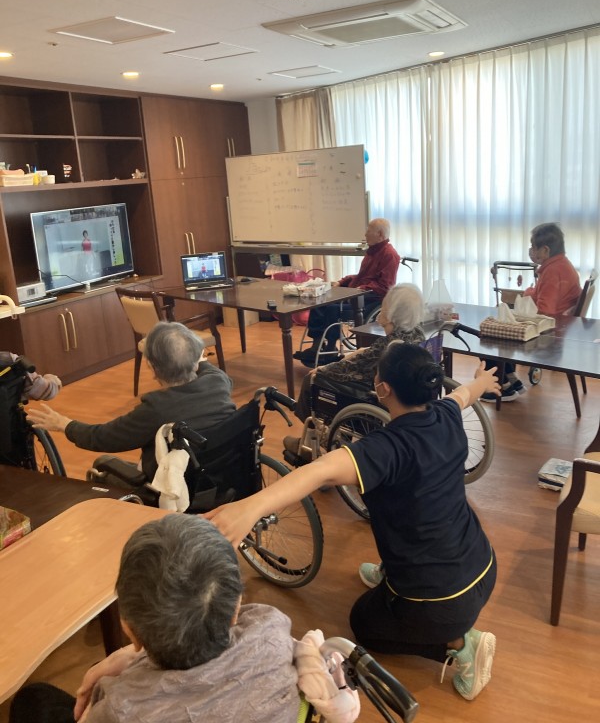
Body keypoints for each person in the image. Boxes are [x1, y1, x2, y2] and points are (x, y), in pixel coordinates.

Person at [207, 343, 500, 701]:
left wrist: (249, 508)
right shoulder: (445, 413)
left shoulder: (388, 447)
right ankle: (394, 578)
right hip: (482, 564)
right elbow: (465, 394)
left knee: (363, 625)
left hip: (442, 602)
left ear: (383, 389)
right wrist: (482, 380)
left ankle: (460, 645)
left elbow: (319, 471)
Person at [9, 515, 359, 723]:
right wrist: (129, 658)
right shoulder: (271, 631)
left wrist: (127, 660)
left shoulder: (121, 707)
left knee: (33, 700)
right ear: (237, 606)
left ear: (128, 628)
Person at [25, 322, 236, 479]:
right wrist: (187, 355)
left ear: (152, 368)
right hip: (222, 472)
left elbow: (103, 437)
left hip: (174, 484)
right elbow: (203, 365)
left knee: (102, 464)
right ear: (196, 359)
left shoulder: (157, 409)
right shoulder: (218, 381)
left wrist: (64, 424)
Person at [284, 283, 425, 457]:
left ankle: (313, 438)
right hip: (403, 390)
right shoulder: (416, 333)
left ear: (392, 313)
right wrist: (358, 353)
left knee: (312, 380)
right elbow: (367, 355)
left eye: (385, 308)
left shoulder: (389, 346)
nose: (382, 313)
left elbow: (350, 368)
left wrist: (323, 369)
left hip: (374, 394)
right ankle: (334, 436)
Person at [483, 222, 581, 402]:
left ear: (545, 250)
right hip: (560, 328)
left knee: (489, 336)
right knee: (502, 325)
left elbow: (545, 311)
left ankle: (502, 387)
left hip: (550, 334)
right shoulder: (562, 265)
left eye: (534, 247)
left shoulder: (553, 272)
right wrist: (531, 293)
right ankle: (510, 380)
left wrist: (528, 295)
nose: (531, 251)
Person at [294, 218, 401, 367]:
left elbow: (385, 286)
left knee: (332, 308)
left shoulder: (390, 255)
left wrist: (361, 288)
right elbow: (360, 276)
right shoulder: (372, 252)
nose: (365, 234)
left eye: (369, 230)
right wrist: (342, 281)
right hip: (356, 295)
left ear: (380, 234)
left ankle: (331, 348)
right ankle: (317, 345)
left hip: (370, 301)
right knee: (320, 302)